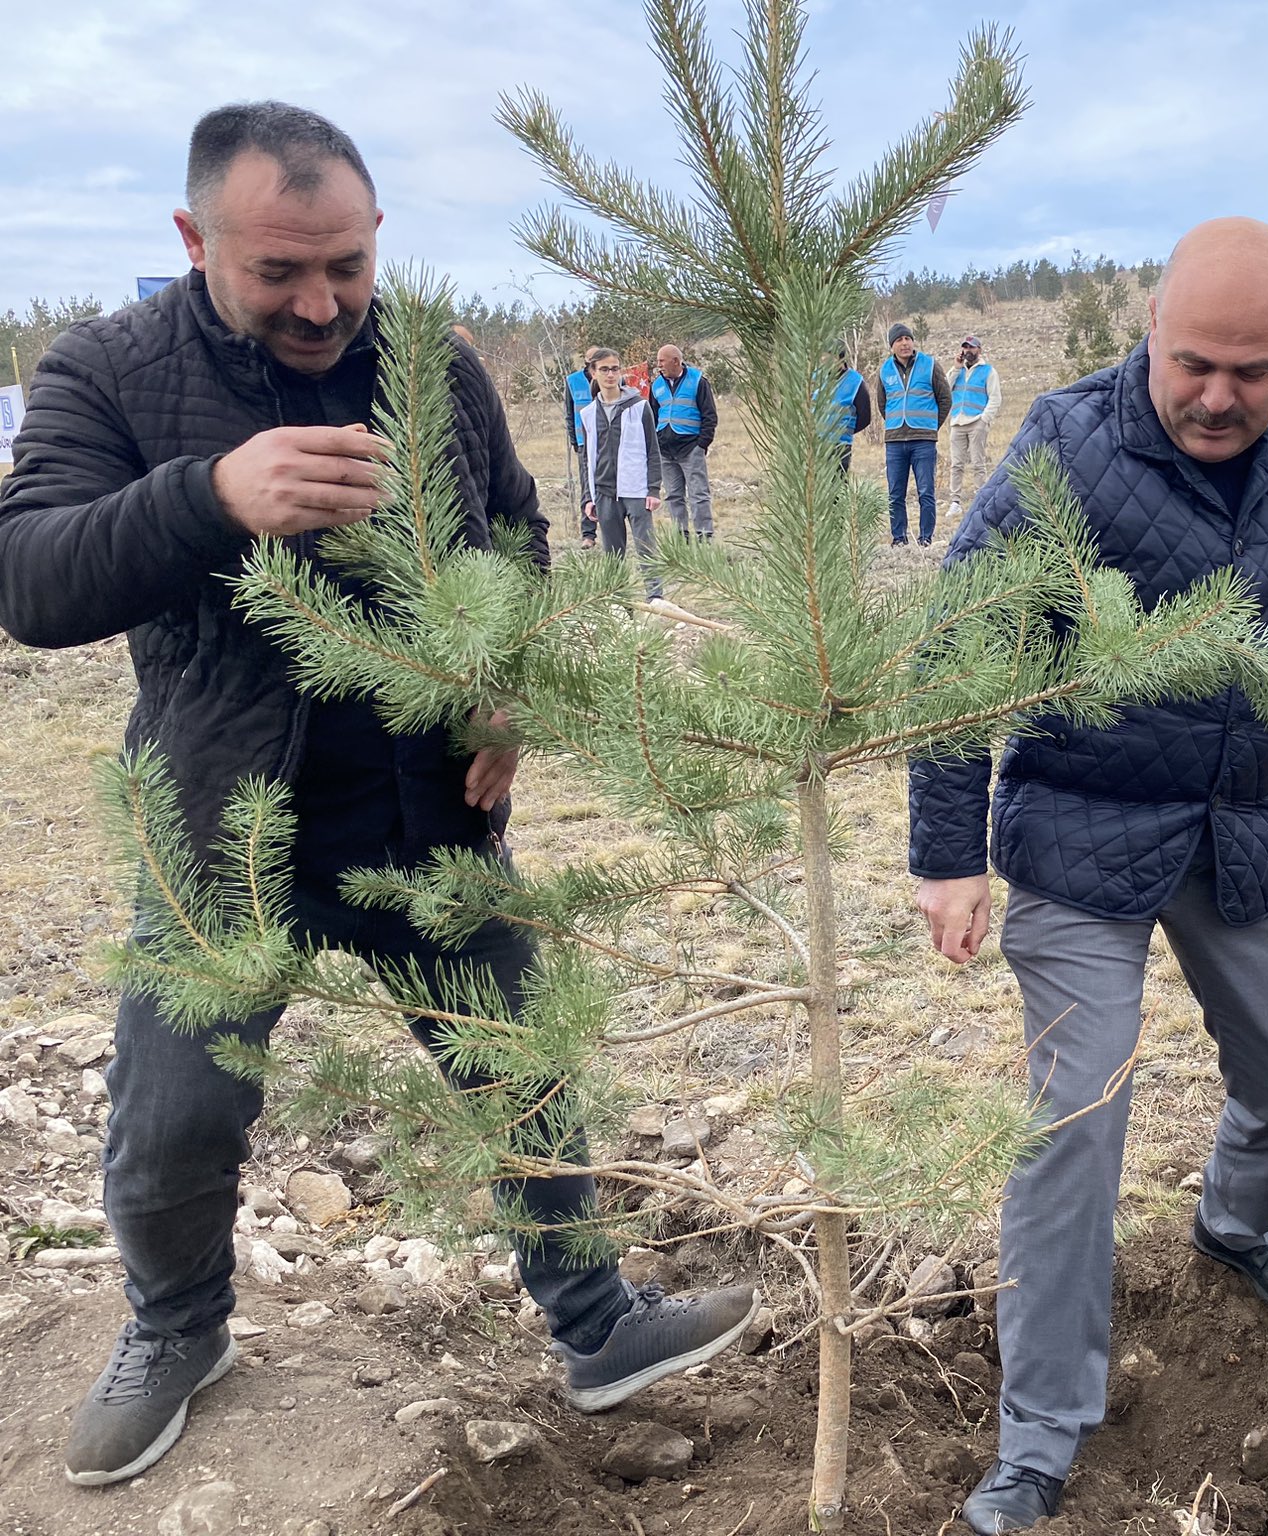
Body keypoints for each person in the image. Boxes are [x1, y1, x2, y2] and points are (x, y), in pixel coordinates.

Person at [0, 103, 758, 1487]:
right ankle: (177, 1329)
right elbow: (30, 578)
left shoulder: (430, 364)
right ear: (193, 241)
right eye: (279, 271)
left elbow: (517, 532)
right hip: (222, 830)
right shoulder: (104, 371)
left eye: (345, 264)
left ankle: (596, 1324)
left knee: (518, 1068)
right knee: (173, 1122)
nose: (322, 301)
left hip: (424, 814)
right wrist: (209, 498)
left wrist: (508, 681)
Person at [909, 217, 1268, 1535]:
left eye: (1254, 370)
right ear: (1152, 331)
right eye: (1196, 362)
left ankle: (1233, 1222)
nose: (1220, 395)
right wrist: (947, 855)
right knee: (1077, 1122)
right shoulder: (1063, 448)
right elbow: (957, 651)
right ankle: (1044, 1429)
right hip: (1078, 831)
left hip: (1240, 824)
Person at [580, 349, 665, 598]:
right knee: (613, 556)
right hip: (605, 493)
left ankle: (655, 597)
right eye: (604, 369)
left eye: (615, 368)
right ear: (593, 373)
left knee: (647, 548)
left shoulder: (639, 406)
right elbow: (587, 460)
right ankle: (620, 602)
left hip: (636, 490)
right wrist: (588, 497)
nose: (610, 374)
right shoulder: (587, 414)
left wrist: (653, 489)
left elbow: (653, 450)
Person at [874, 322, 951, 545]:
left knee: (926, 491)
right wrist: (896, 423)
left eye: (907, 338)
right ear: (892, 346)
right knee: (895, 493)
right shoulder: (884, 370)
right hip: (895, 441)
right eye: (899, 340)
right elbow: (882, 404)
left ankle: (925, 537)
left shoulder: (930, 365)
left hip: (923, 441)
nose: (904, 343)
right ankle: (899, 538)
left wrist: (930, 427)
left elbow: (945, 399)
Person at [650, 342, 719, 539]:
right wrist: (656, 443)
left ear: (676, 361)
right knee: (673, 496)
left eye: (662, 361)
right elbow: (652, 417)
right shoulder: (656, 385)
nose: (659, 365)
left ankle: (704, 536)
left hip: (691, 448)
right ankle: (681, 538)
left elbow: (710, 416)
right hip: (665, 451)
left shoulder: (698, 381)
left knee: (698, 495)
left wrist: (702, 444)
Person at [946, 334, 1002, 518]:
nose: (968, 351)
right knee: (956, 464)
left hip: (976, 421)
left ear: (979, 349)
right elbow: (945, 389)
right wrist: (956, 368)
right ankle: (955, 502)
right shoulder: (957, 369)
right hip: (957, 421)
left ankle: (980, 499)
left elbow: (995, 398)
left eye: (972, 347)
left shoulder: (988, 371)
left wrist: (984, 419)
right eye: (965, 347)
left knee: (978, 463)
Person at [565, 345, 601, 548]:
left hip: (607, 441)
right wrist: (574, 441)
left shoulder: (612, 378)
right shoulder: (572, 381)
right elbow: (569, 414)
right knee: (587, 488)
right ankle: (588, 535)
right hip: (583, 443)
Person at [826, 345, 871, 477]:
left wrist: (846, 429)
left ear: (840, 359)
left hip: (840, 445)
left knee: (838, 487)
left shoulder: (855, 382)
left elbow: (865, 416)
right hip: (817, 444)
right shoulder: (817, 378)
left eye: (829, 356)